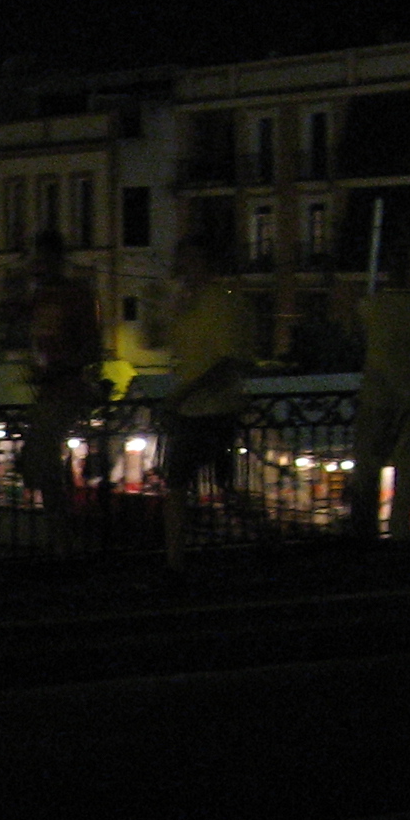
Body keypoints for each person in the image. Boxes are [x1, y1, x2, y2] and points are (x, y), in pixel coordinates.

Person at [161, 238, 253, 572]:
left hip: (209, 409)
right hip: (199, 408)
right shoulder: (195, 303)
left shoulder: (221, 303)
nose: (183, 268)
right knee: (195, 481)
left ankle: (178, 561)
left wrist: (185, 392)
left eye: (189, 260)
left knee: (179, 482)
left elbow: (229, 361)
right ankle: (184, 557)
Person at [346, 243, 410, 540]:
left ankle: (365, 529)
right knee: (406, 467)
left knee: (369, 465)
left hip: (377, 392)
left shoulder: (370, 306)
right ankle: (399, 529)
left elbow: (362, 337)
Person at [14, 231, 104, 529]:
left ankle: (60, 522)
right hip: (51, 387)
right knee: (41, 455)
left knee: (42, 453)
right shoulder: (41, 296)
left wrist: (59, 368)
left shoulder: (74, 296)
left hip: (66, 387)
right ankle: (59, 521)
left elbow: (91, 348)